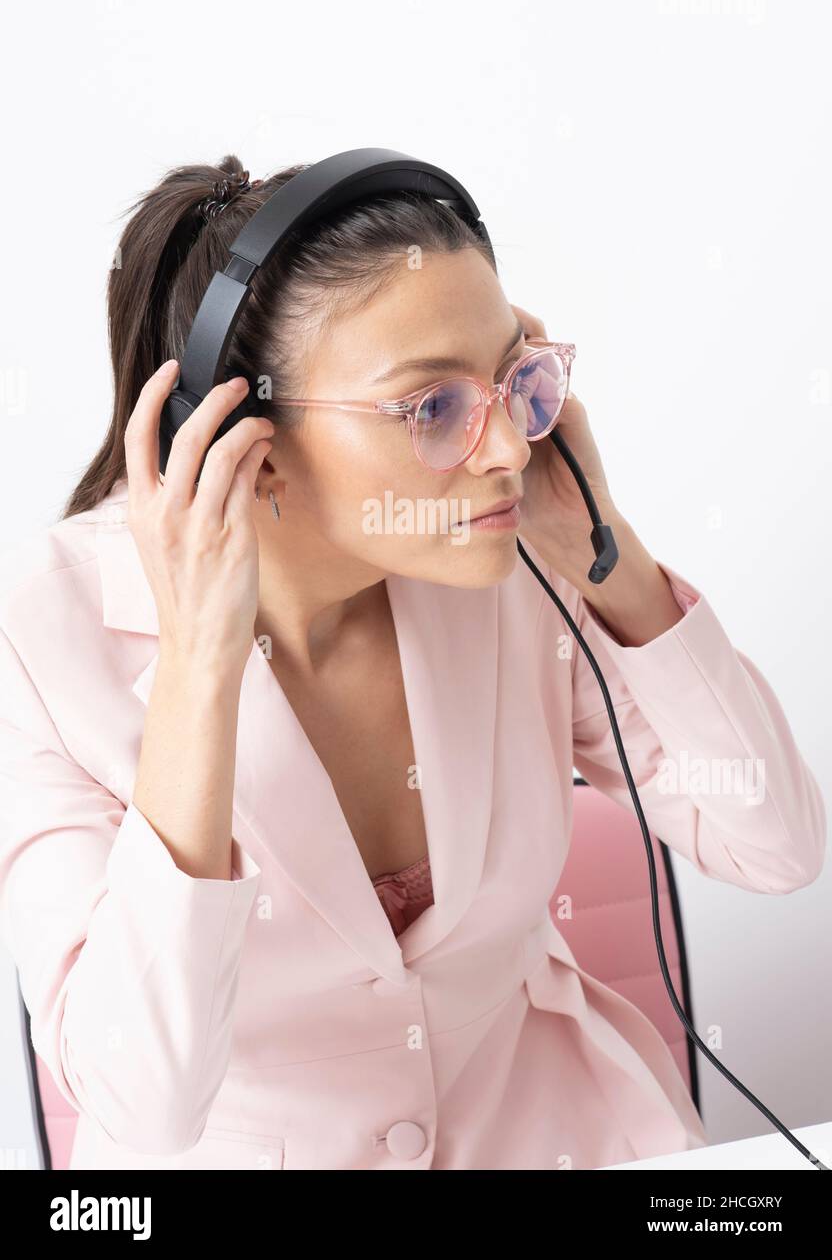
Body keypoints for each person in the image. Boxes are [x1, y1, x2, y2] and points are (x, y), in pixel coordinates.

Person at [0, 156, 825, 1170]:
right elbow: (145, 1101)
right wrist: (200, 669)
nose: (509, 454)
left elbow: (776, 845)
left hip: (555, 1137)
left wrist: (608, 556)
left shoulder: (505, 556)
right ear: (240, 438)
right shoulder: (42, 638)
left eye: (512, 384)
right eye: (431, 408)